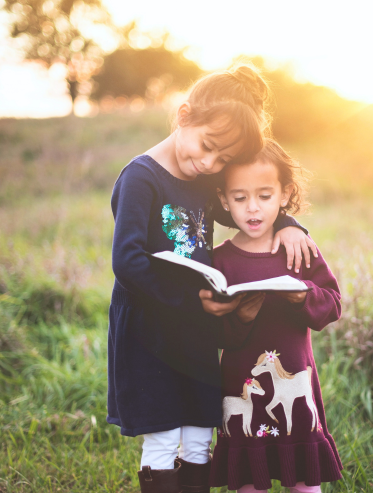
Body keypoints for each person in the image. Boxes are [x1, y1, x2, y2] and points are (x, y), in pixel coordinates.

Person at [107, 64, 317, 493]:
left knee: (202, 433)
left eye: (222, 160)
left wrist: (291, 223)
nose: (209, 163)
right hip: (151, 332)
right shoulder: (141, 178)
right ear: (184, 115)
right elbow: (126, 261)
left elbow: (246, 213)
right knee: (165, 435)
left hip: (198, 331)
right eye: (207, 147)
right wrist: (192, 303)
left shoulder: (203, 181)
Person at [208, 139, 342, 493]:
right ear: (224, 199)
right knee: (250, 482)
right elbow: (213, 333)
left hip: (296, 385)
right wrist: (241, 318)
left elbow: (332, 306)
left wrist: (304, 295)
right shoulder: (219, 261)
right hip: (242, 387)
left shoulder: (298, 249)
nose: (252, 208)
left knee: (304, 482)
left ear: (285, 194)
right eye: (239, 198)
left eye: (264, 196)